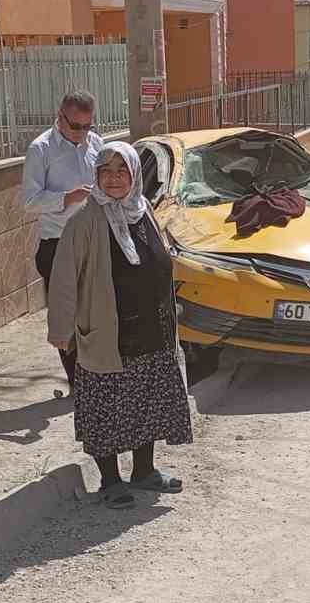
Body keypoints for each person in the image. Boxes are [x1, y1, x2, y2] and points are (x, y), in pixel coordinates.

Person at [46, 142, 191, 509]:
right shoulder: (84, 221)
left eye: (121, 171)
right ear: (95, 177)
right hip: (108, 333)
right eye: (105, 172)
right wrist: (61, 332)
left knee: (146, 404)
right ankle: (110, 481)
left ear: (134, 176)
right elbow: (63, 280)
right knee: (107, 408)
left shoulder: (143, 212)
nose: (113, 179)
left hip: (152, 331)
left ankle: (144, 471)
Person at [22, 90, 101, 392]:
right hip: (57, 243)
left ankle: (95, 376)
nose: (82, 134)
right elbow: (29, 202)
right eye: (76, 126)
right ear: (60, 117)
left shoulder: (96, 144)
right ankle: (78, 383)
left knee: (94, 310)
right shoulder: (40, 150)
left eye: (87, 126)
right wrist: (66, 198)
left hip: (92, 239)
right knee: (65, 315)